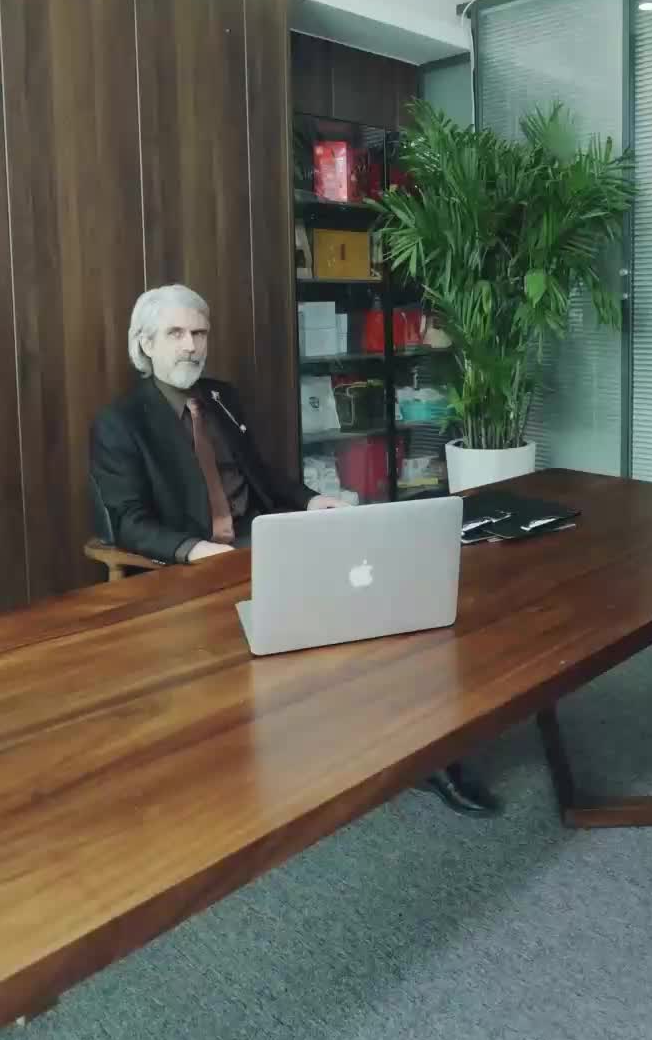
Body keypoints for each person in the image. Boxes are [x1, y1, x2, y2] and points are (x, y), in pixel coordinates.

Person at [91, 286, 501, 817]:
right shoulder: (120, 423)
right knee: (338, 631)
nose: (191, 345)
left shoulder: (220, 398)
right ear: (145, 344)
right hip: (193, 568)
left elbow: (263, 476)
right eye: (176, 334)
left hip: (266, 544)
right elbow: (128, 522)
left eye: (199, 333)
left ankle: (430, 753)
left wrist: (309, 500)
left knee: (386, 613)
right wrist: (196, 551)